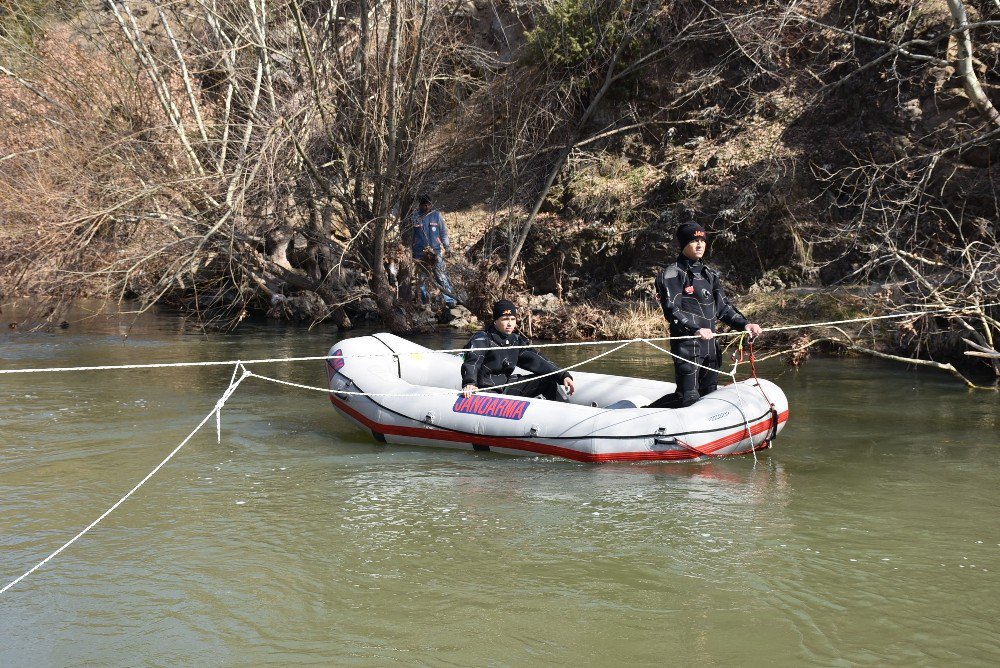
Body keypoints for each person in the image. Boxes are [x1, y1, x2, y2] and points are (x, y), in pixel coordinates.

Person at [650, 221, 763, 408]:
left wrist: (745, 325)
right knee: (687, 398)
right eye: (694, 240)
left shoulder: (710, 274)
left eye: (702, 240)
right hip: (688, 348)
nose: (700, 244)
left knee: (710, 396)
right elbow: (672, 310)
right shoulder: (671, 274)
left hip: (711, 349)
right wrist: (695, 329)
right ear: (684, 243)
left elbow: (723, 308)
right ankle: (643, 414)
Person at [461, 300, 576, 401]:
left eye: (513, 319)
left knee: (548, 382)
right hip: (485, 390)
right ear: (495, 321)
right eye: (505, 319)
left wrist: (562, 375)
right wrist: (470, 382)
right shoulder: (482, 338)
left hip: (505, 386)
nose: (510, 323)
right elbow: (472, 362)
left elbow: (538, 360)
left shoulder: (516, 341)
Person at [409, 194, 457, 307]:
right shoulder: (414, 216)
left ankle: (450, 300)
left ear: (431, 204)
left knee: (441, 276)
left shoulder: (436, 215)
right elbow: (410, 235)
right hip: (419, 253)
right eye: (424, 205)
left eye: (428, 205)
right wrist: (409, 250)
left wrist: (447, 247)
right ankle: (425, 302)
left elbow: (443, 233)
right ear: (420, 205)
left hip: (435, 252)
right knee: (421, 279)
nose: (426, 207)